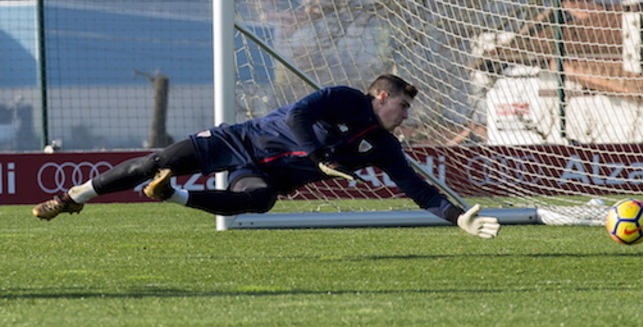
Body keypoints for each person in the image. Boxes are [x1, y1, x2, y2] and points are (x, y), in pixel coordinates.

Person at [33, 74, 500, 239]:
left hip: (265, 177)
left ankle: (171, 196)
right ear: (380, 96)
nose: (404, 115)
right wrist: (318, 156)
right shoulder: (342, 98)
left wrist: (456, 217)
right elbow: (299, 115)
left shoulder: (384, 146)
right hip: (241, 141)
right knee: (151, 162)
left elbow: (417, 190)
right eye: (401, 106)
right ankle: (73, 196)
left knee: (258, 202)